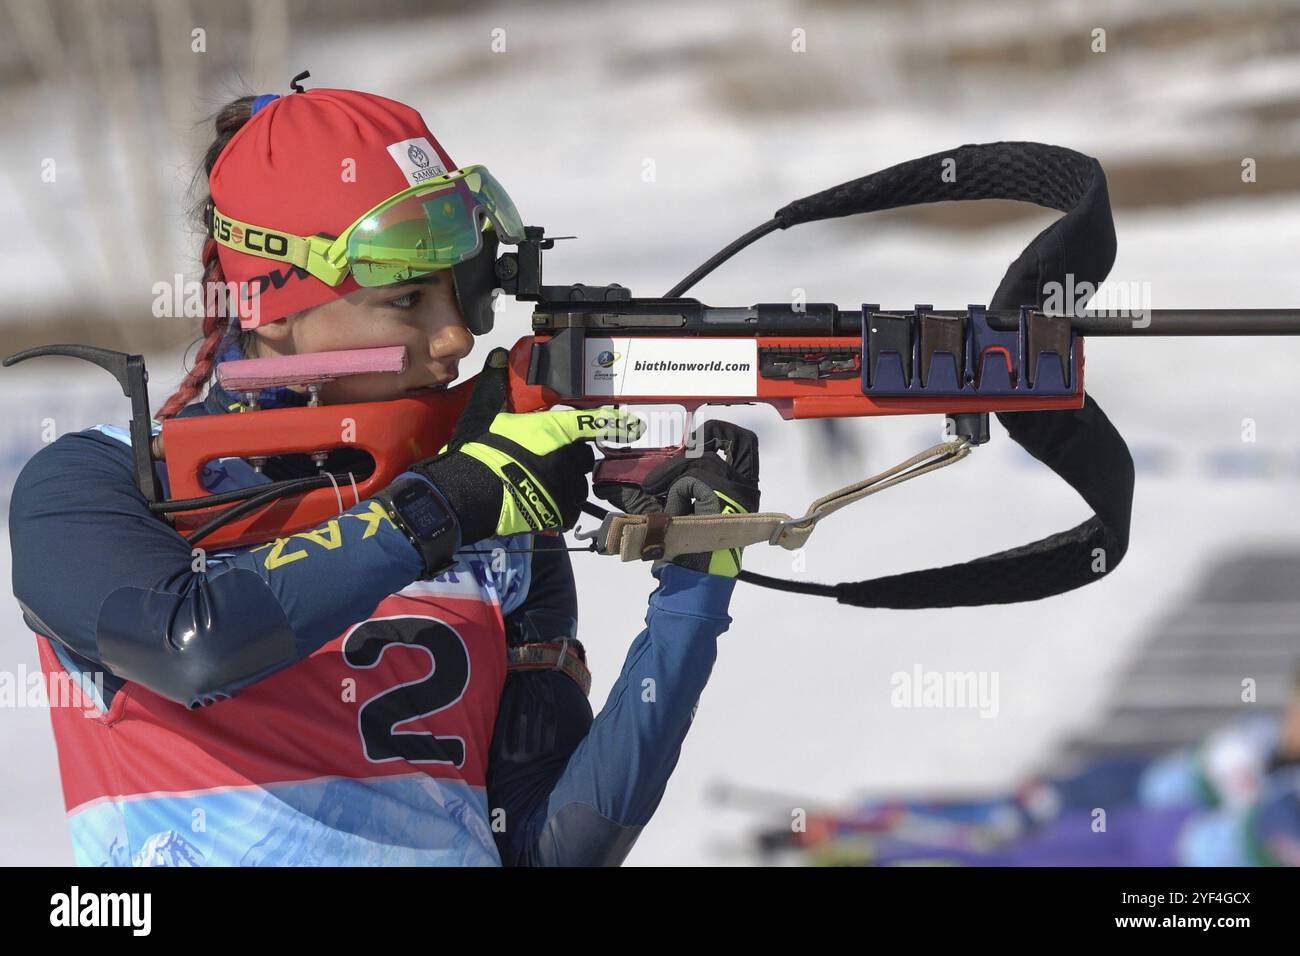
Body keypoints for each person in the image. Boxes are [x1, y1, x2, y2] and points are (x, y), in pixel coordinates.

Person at [8, 86, 760, 866]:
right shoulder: (101, 481)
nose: (456, 337)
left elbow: (546, 850)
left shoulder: (498, 519)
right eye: (406, 299)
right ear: (267, 306)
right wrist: (447, 506)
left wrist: (693, 592)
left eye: (460, 292)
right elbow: (191, 646)